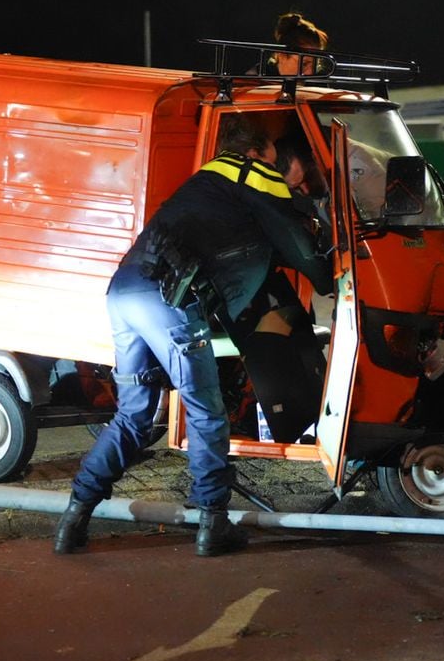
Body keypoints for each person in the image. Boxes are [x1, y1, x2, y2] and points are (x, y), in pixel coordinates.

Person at [54, 115, 335, 558]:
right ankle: (212, 523)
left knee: (134, 416)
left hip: (125, 291)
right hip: (170, 301)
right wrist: (328, 277)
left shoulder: (207, 181)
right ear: (259, 151)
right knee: (206, 410)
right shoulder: (253, 173)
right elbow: (299, 245)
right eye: (277, 157)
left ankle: (74, 517)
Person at [272, 11, 329, 76]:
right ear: (281, 56)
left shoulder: (320, 82)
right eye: (304, 64)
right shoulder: (259, 81)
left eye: (316, 64)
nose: (310, 72)